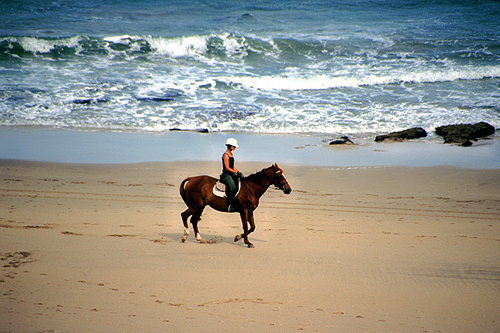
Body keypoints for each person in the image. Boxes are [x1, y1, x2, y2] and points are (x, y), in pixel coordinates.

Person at [220, 138, 243, 212]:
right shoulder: (225, 155)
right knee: (232, 188)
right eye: (234, 146)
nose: (235, 147)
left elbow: (232, 166)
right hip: (226, 175)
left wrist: (238, 172)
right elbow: (227, 168)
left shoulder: (231, 154)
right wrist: (235, 172)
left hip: (231, 173)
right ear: (230, 146)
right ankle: (230, 205)